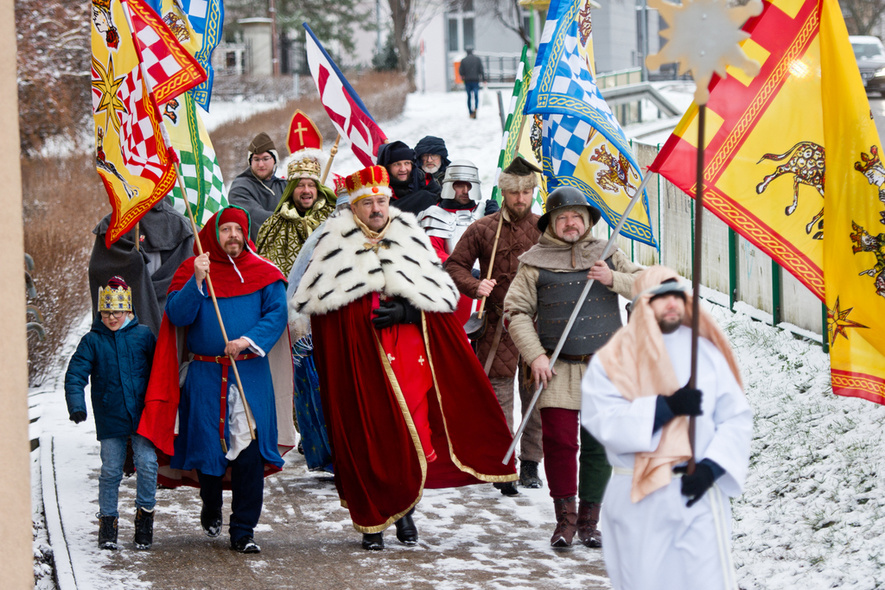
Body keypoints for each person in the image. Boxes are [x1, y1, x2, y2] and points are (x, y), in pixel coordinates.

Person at [291, 165, 517, 551]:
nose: (376, 208)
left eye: (381, 200)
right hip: (358, 363)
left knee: (408, 434)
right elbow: (321, 312)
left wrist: (412, 312)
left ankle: (405, 511)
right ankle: (373, 522)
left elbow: (442, 298)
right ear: (354, 208)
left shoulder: (411, 241)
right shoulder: (332, 248)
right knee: (367, 436)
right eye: (368, 203)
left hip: (407, 358)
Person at [581, 266, 753, 589]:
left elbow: (736, 417)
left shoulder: (707, 353)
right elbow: (603, 419)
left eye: (677, 296)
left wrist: (712, 469)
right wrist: (665, 408)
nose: (671, 304)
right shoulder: (613, 360)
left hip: (696, 493)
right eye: (661, 298)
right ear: (642, 305)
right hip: (637, 499)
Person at [137, 206, 296, 554]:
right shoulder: (192, 270)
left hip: (250, 376)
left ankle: (243, 530)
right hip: (205, 376)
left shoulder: (264, 272)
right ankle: (210, 505)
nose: (233, 236)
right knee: (207, 453)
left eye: (238, 230)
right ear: (213, 235)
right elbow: (178, 315)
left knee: (250, 454)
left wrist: (247, 341)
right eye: (225, 230)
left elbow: (277, 312)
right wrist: (196, 281)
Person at [504, 186, 642, 548]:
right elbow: (515, 312)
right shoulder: (534, 261)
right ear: (551, 222)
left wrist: (615, 279)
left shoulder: (608, 253)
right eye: (563, 217)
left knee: (597, 445)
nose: (570, 223)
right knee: (561, 442)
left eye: (577, 216)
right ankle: (563, 521)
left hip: (605, 366)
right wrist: (535, 355)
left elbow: (648, 287)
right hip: (557, 367)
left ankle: (589, 522)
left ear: (587, 221)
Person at [445, 156, 543, 496]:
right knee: (498, 395)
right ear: (504, 193)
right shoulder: (483, 228)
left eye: (527, 192)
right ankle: (505, 465)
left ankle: (531, 463)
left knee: (535, 394)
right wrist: (475, 286)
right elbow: (454, 264)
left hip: (535, 324)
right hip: (496, 322)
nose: (521, 199)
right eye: (515, 193)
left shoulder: (545, 229)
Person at [64, 276, 158, 550]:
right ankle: (108, 523)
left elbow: (159, 371)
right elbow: (75, 375)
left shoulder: (143, 335)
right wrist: (76, 406)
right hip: (110, 415)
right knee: (111, 470)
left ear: (128, 311)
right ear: (100, 313)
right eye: (106, 312)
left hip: (142, 415)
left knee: (148, 463)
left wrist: (164, 406)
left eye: (117, 311)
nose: (112, 317)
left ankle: (144, 519)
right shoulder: (92, 341)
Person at [88, 198, 194, 336]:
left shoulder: (179, 226)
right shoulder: (112, 225)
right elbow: (99, 273)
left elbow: (186, 280)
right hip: (122, 331)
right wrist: (132, 265)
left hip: (168, 325)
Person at [255, 148, 336, 275]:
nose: (306, 190)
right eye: (300, 185)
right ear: (291, 190)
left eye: (311, 185)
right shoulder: (272, 226)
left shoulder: (334, 217)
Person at [228, 132, 287, 241]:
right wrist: (291, 221)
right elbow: (254, 215)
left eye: (265, 158)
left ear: (274, 159)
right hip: (257, 253)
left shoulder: (284, 185)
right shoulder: (240, 187)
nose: (261, 164)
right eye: (256, 159)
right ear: (250, 162)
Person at [376, 140, 440, 216]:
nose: (403, 169)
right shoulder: (378, 187)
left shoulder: (423, 179)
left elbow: (442, 201)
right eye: (397, 164)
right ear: (388, 167)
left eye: (407, 163)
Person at [459, 46, 485, 119]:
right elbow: (481, 70)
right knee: (476, 96)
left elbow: (461, 71)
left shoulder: (463, 60)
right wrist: (484, 79)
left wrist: (464, 75)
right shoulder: (477, 59)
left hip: (467, 81)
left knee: (469, 97)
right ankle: (476, 108)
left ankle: (470, 112)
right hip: (475, 80)